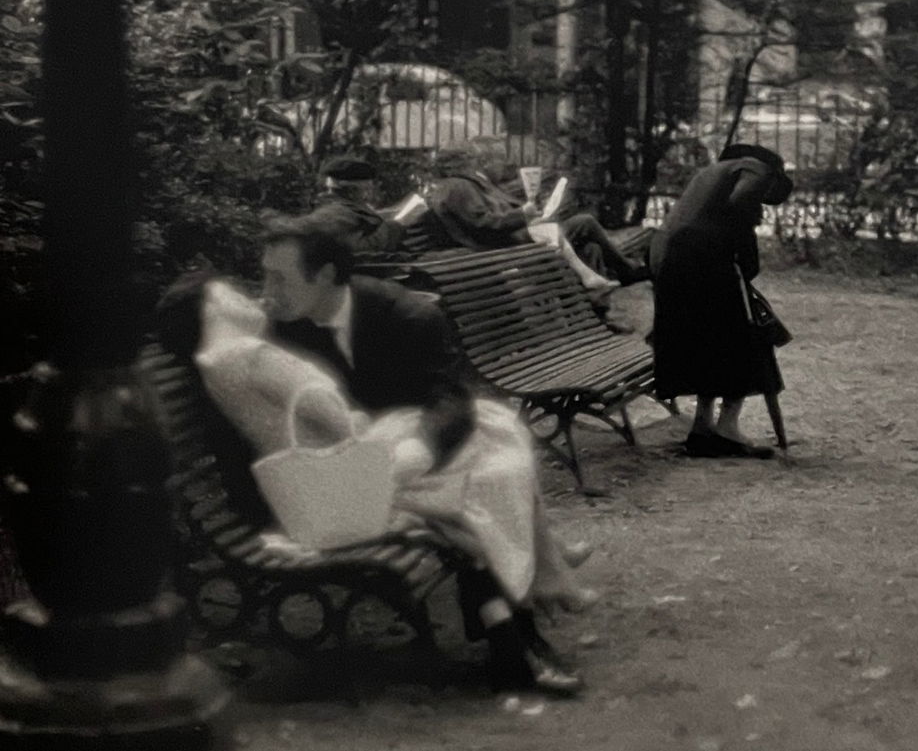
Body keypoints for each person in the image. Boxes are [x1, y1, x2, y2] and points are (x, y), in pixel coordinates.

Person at [164, 216, 597, 695]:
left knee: (488, 445)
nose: (264, 291)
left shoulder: (406, 314)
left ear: (326, 275)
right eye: (262, 276)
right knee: (485, 475)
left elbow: (446, 397)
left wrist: (413, 447)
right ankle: (523, 625)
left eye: (278, 277)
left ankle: (518, 624)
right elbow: (281, 412)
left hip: (362, 460)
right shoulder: (266, 336)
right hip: (319, 488)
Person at [649, 143, 794, 460]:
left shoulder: (711, 174)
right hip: (703, 258)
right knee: (742, 338)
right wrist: (745, 255)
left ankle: (702, 428)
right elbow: (742, 203)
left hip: (669, 257)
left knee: (707, 341)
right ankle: (727, 428)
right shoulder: (757, 168)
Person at [425, 157, 646, 331]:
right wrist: (522, 215)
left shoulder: (467, 184)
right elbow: (485, 224)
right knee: (584, 223)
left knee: (590, 248)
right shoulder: (458, 186)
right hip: (507, 244)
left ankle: (594, 318)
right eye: (472, 158)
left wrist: (531, 216)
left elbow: (491, 216)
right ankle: (624, 274)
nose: (479, 163)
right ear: (462, 161)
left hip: (518, 236)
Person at [307, 155, 408, 253]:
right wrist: (391, 227)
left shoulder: (335, 203)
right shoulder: (338, 214)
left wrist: (385, 215)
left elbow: (363, 218)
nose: (369, 192)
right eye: (367, 188)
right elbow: (358, 248)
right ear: (352, 191)